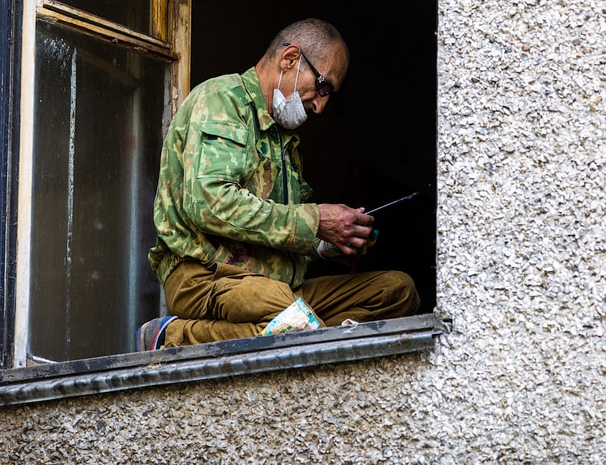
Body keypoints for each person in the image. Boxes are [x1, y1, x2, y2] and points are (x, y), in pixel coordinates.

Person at [138, 18, 419, 350]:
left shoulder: (285, 141)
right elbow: (210, 204)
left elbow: (275, 230)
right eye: (323, 86)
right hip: (205, 276)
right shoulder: (221, 100)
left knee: (397, 291)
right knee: (285, 308)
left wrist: (324, 242)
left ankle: (299, 332)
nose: (321, 105)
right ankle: (172, 336)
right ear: (290, 59)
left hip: (278, 288)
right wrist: (315, 220)